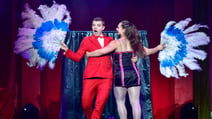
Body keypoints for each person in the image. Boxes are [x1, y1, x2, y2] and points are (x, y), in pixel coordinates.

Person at [86, 20, 165, 119]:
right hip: (134, 74)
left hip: (120, 75)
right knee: (135, 103)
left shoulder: (116, 43)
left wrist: (89, 54)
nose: (116, 29)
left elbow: (102, 51)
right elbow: (147, 52)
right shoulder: (135, 43)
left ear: (124, 30)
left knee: (120, 102)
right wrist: (158, 47)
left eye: (118, 27)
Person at [60, 17, 114, 119]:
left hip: (106, 77)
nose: (95, 27)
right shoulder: (86, 40)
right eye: (93, 25)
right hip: (90, 77)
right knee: (86, 104)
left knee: (99, 106)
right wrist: (67, 50)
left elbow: (117, 53)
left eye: (98, 25)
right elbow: (77, 57)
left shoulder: (110, 40)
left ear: (103, 27)